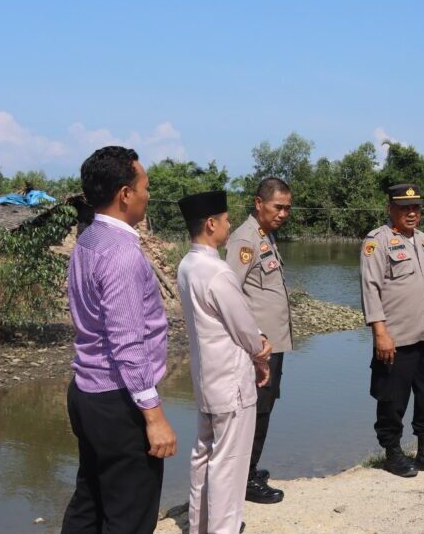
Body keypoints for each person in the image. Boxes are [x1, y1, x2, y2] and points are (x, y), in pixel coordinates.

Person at [61, 146, 176, 534]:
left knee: (89, 500)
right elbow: (128, 344)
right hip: (118, 399)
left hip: (86, 392)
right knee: (129, 515)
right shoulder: (122, 254)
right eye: (144, 186)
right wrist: (154, 414)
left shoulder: (88, 239)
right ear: (125, 193)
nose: (148, 194)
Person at [177, 191, 274, 534]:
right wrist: (261, 352)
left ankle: (199, 524)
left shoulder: (187, 265)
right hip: (231, 380)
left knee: (204, 454)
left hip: (206, 376)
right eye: (226, 219)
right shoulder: (217, 271)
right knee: (229, 463)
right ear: (210, 224)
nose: (230, 225)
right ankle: (224, 528)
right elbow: (244, 325)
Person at [360, 184, 424, 477]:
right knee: (392, 397)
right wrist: (380, 333)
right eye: (404, 208)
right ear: (390, 209)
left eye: (415, 208)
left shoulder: (423, 239)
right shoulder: (377, 241)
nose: (411, 213)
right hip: (395, 335)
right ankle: (392, 453)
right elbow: (370, 288)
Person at [225, 177, 294, 504]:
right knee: (256, 411)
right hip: (259, 347)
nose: (283, 213)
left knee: (264, 409)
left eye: (287, 208)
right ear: (258, 203)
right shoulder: (244, 239)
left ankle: (248, 470)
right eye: (277, 207)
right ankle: (246, 479)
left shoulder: (264, 235)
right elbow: (230, 294)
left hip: (271, 344)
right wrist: (254, 340)